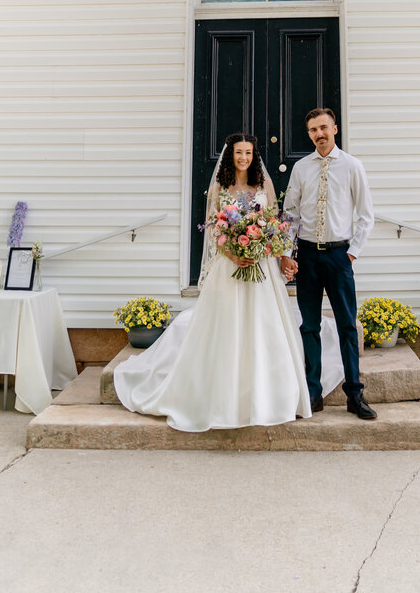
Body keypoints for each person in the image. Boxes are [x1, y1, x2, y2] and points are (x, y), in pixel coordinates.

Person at [114, 133, 312, 432]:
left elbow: (274, 222)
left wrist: (263, 247)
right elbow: (213, 229)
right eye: (238, 153)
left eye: (248, 153)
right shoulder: (221, 187)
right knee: (227, 326)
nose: (243, 158)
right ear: (230, 156)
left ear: (253, 155)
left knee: (263, 326)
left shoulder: (264, 184)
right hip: (229, 265)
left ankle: (268, 397)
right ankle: (222, 398)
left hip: (260, 266)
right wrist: (234, 254)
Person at [280, 108, 377, 419]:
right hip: (307, 256)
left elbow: (365, 216)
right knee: (309, 326)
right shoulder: (301, 168)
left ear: (334, 128)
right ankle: (313, 392)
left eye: (323, 127)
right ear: (309, 134)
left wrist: (351, 254)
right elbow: (290, 213)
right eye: (312, 130)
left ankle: (355, 394)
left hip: (338, 256)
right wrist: (287, 251)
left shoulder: (352, 166)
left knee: (348, 325)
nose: (318, 134)